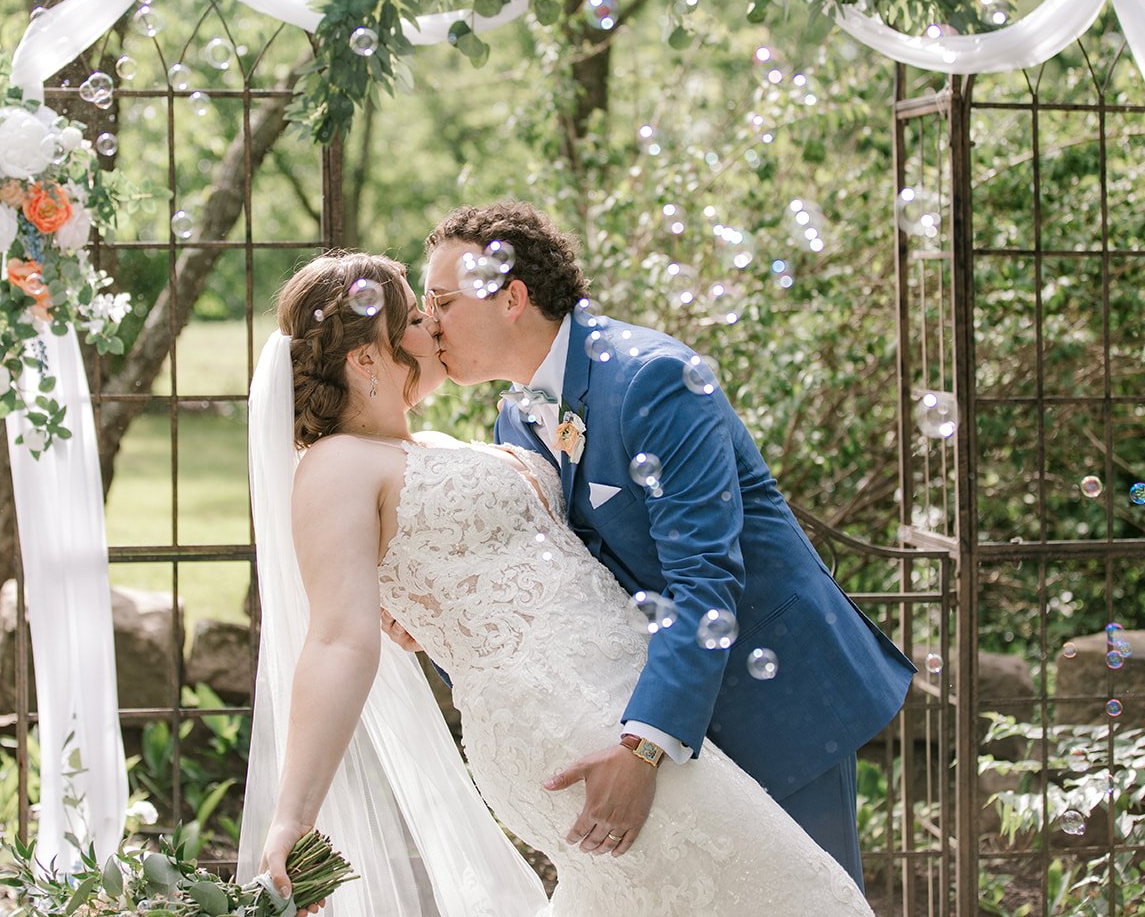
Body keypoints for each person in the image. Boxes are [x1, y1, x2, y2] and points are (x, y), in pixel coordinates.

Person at [238, 250, 875, 916]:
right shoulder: (335, 466)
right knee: (801, 896)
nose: (433, 326)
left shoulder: (450, 440)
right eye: (417, 314)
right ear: (366, 357)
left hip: (627, 699)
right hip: (562, 717)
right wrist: (295, 814)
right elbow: (339, 640)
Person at [414, 201, 916, 883]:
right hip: (665, 707)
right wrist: (436, 626)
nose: (428, 321)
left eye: (440, 299)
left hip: (777, 697)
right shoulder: (516, 420)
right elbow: (547, 589)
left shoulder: (653, 378)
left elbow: (705, 578)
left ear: (513, 297)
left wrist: (644, 746)